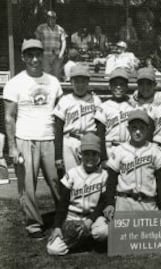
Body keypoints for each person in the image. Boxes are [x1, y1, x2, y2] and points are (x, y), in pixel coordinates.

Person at [4, 39, 62, 239]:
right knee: (27, 185)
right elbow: (9, 117)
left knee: (57, 181)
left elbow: (60, 114)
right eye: (30, 55)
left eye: (38, 55)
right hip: (25, 138)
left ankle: (63, 218)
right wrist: (12, 147)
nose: (34, 59)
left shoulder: (53, 82)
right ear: (23, 57)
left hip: (49, 137)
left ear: (43, 56)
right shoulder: (15, 83)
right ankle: (33, 224)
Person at [47, 133, 109, 255]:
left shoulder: (104, 175)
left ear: (99, 155)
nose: (90, 157)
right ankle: (84, 242)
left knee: (104, 232)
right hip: (73, 216)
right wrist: (57, 226)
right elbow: (62, 203)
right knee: (53, 249)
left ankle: (86, 239)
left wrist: (91, 220)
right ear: (80, 154)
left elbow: (103, 202)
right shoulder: (72, 174)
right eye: (86, 153)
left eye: (94, 154)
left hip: (93, 218)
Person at [103, 110, 161, 214]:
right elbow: (111, 180)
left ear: (147, 129)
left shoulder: (154, 150)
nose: (138, 132)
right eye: (134, 128)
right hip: (124, 202)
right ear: (128, 129)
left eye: (142, 128)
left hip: (148, 203)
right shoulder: (120, 150)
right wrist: (110, 203)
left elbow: (160, 181)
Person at [53, 64, 106, 172]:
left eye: (83, 81)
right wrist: (58, 156)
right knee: (72, 177)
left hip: (90, 140)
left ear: (88, 82)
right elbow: (58, 129)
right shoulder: (65, 100)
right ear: (71, 82)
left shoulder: (95, 100)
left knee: (90, 178)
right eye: (76, 81)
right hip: (70, 141)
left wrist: (102, 154)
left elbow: (101, 129)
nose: (80, 85)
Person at [97, 68, 134, 160]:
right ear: (109, 86)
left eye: (122, 84)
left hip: (128, 148)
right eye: (115, 84)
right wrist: (103, 157)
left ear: (127, 87)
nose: (118, 87)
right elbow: (100, 134)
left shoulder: (132, 107)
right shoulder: (104, 107)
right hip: (110, 148)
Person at [35, 10, 67, 79]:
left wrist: (61, 53)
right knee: (46, 74)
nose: (51, 19)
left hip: (57, 55)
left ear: (55, 18)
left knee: (56, 75)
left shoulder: (60, 29)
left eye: (53, 18)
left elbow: (64, 42)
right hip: (45, 55)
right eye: (49, 17)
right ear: (46, 18)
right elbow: (37, 41)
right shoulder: (41, 28)